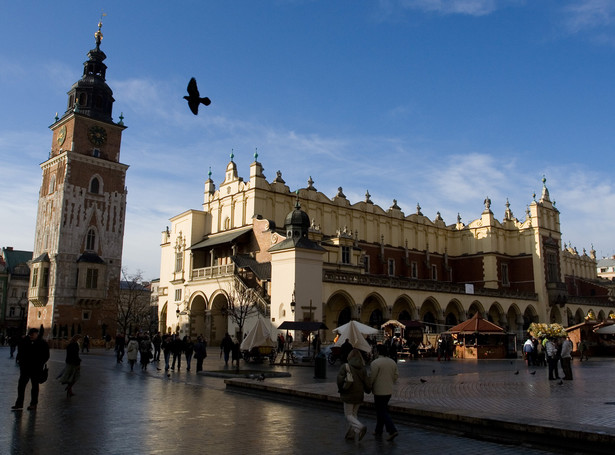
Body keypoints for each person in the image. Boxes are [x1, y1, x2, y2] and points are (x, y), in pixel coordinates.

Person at [12, 327, 50, 411]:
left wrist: (40, 363)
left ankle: (33, 404)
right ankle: (19, 403)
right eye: (30, 334)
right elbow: (20, 351)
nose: (31, 336)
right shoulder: (26, 341)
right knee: (21, 386)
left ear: (37, 334)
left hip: (36, 369)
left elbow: (46, 356)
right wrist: (21, 362)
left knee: (35, 387)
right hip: (25, 368)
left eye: (33, 334)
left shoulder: (42, 343)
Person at [336, 348, 370, 441]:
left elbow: (339, 380)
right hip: (359, 394)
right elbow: (367, 382)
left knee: (348, 415)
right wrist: (368, 390)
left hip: (348, 393)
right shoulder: (362, 368)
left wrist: (341, 389)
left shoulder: (346, 366)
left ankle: (360, 427)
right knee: (354, 414)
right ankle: (352, 434)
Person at [369, 344, 399, 441]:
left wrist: (369, 386)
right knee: (382, 409)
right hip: (388, 390)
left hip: (378, 390)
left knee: (381, 411)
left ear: (377, 352)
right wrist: (390, 381)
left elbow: (372, 377)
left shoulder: (375, 363)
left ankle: (392, 430)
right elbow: (396, 375)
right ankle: (378, 429)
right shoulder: (392, 362)